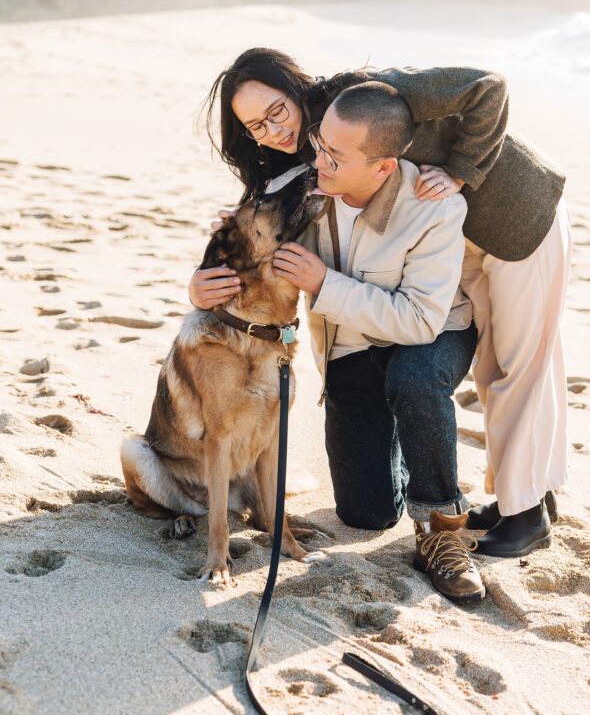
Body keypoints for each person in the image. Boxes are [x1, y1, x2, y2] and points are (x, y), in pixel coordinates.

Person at [189, 47, 571, 558]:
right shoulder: (312, 150)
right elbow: (260, 221)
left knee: (518, 365)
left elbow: (488, 86)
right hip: (454, 235)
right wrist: (200, 284)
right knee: (494, 366)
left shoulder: (367, 95)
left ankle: (526, 514)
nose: (271, 131)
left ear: (294, 86)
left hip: (514, 217)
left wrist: (461, 170)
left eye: (275, 111)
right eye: (255, 126)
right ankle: (523, 499)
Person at [198, 79, 485, 603]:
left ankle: (444, 530)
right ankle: (397, 440)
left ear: (383, 167)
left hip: (434, 335)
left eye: (335, 156)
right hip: (353, 347)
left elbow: (420, 320)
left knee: (414, 380)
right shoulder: (305, 192)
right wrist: (200, 281)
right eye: (319, 146)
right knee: (365, 513)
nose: (319, 163)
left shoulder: (435, 209)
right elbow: (245, 239)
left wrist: (323, 284)